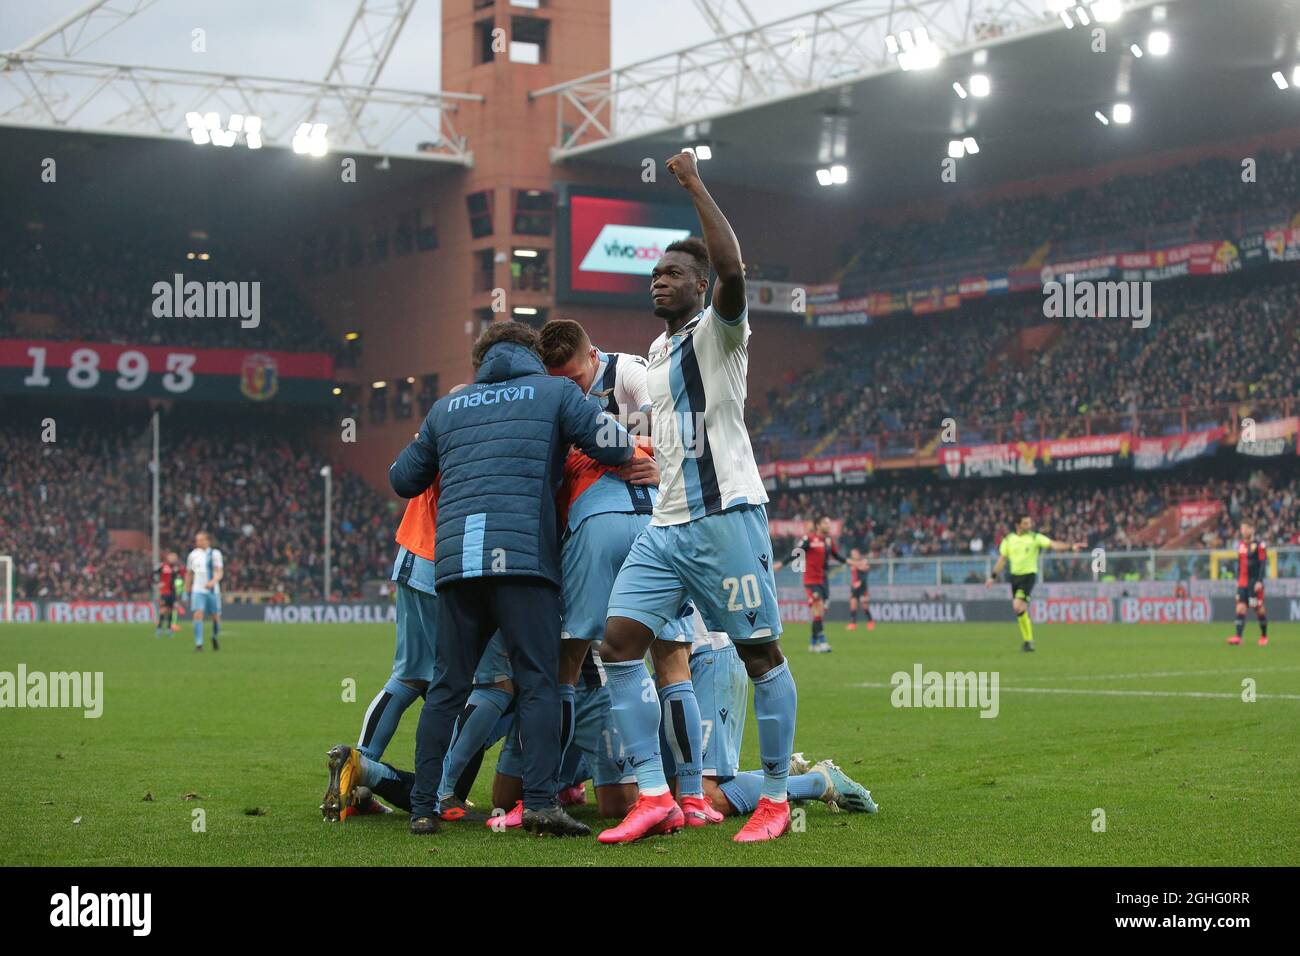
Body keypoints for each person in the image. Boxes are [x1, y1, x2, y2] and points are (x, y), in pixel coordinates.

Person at [598, 149, 796, 845]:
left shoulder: (721, 332)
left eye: (673, 272)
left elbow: (736, 270)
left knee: (758, 654)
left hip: (725, 518)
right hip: (667, 524)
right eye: (653, 273)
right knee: (617, 645)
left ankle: (775, 798)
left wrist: (692, 183)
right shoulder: (653, 355)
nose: (659, 280)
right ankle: (654, 794)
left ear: (701, 284)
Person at [388, 320, 635, 837]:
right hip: (523, 562)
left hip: (457, 566)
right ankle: (542, 802)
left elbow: (403, 478)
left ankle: (423, 807)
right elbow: (614, 445)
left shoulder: (446, 409)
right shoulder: (556, 392)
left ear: (481, 360)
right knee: (538, 682)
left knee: (447, 686)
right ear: (531, 354)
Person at [985, 514, 1083, 652]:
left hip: (1028, 576)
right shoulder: (1008, 540)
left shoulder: (1035, 537)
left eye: (1029, 523)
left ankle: (1028, 641)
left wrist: (1071, 546)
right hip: (1015, 577)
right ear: (1018, 525)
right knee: (1020, 609)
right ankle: (1028, 642)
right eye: (1025, 523)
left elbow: (1054, 544)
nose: (1029, 526)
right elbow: (1002, 559)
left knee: (1017, 606)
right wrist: (992, 577)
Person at [774, 515, 846, 653]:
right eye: (825, 522)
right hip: (811, 580)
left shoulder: (829, 541)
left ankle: (813, 643)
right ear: (818, 525)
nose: (828, 525)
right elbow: (797, 553)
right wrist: (781, 564)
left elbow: (837, 556)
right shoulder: (809, 539)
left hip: (824, 581)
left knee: (819, 613)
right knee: (818, 607)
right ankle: (823, 642)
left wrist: (851, 563)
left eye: (829, 522)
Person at [1228, 520, 1269, 646]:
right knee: (1240, 608)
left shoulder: (1259, 545)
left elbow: (1262, 564)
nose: (1243, 531)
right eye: (1242, 529)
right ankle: (1238, 637)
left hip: (1254, 583)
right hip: (1242, 583)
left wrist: (1259, 581)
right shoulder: (1240, 545)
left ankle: (1263, 636)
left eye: (1246, 528)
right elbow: (1240, 565)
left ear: (1252, 529)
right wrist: (1237, 581)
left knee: (1258, 609)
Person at [184, 531, 223, 652]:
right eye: (197, 540)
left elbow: (219, 571)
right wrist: (186, 590)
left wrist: (213, 581)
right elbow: (189, 574)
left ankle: (214, 636)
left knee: (215, 617)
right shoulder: (193, 555)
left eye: (201, 539)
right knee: (197, 614)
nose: (198, 542)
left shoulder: (215, 554)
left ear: (208, 541)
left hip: (212, 591)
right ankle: (199, 643)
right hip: (198, 590)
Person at [154, 551, 182, 637]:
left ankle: (169, 629)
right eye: (172, 557)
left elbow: (179, 579)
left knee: (170, 611)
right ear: (168, 557)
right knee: (163, 610)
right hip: (164, 592)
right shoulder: (163, 566)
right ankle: (159, 629)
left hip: (173, 592)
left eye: (175, 557)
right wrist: (158, 583)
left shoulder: (177, 568)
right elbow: (153, 574)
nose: (173, 559)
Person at [847, 548, 873, 632]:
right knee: (853, 605)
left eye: (855, 553)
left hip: (862, 586)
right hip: (854, 587)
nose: (853, 555)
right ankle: (853, 624)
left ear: (858, 554)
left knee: (864, 605)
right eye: (852, 554)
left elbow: (866, 569)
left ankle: (870, 621)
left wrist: (860, 581)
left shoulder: (863, 561)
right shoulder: (852, 563)